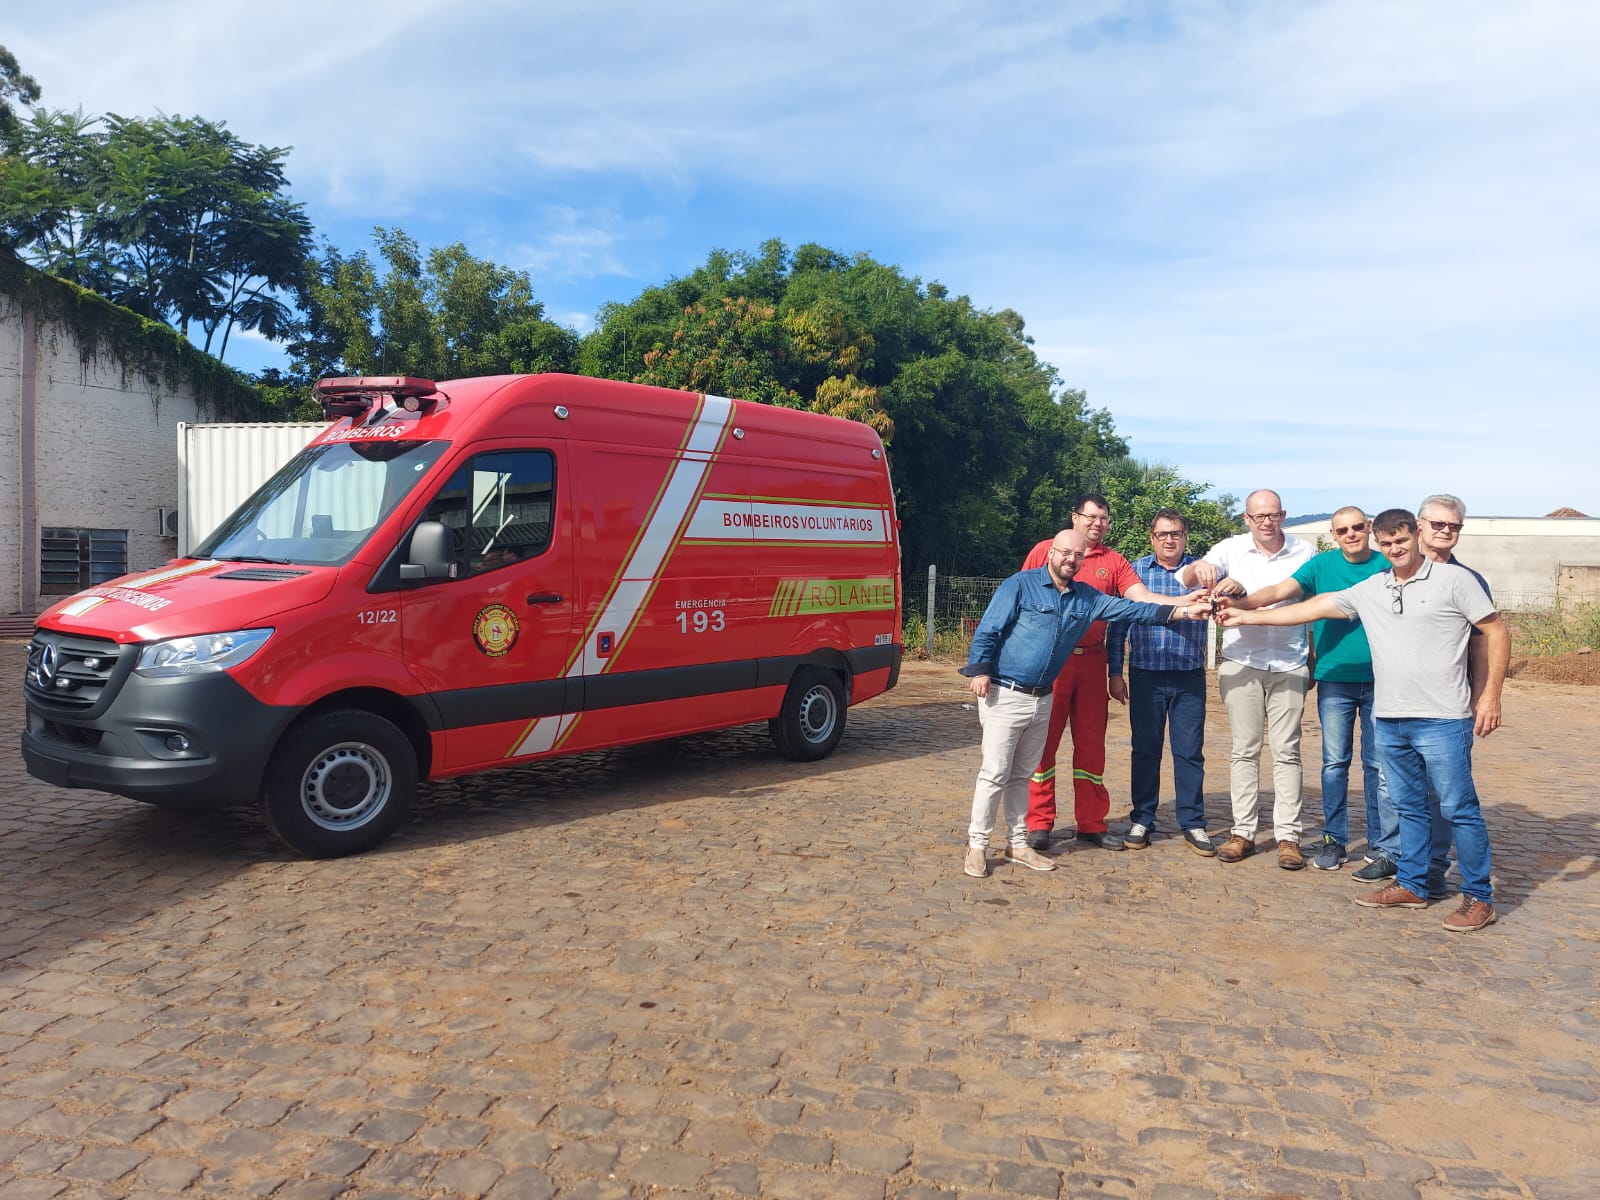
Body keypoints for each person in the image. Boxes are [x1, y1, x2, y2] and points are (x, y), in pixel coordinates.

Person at [1216, 509, 1510, 931]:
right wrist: (1246, 615)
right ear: (1381, 543)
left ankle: (1479, 896)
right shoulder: (1373, 586)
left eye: (1402, 541)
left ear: (1416, 536)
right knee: (1408, 806)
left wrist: (1490, 696)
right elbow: (1310, 608)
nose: (1396, 549)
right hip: (1389, 717)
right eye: (1389, 544)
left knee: (1458, 807)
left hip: (1442, 717)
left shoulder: (1455, 581)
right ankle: (1412, 884)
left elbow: (1496, 632)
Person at [960, 529, 1210, 878]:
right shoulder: (1020, 584)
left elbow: (1134, 609)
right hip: (1006, 691)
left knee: (1021, 775)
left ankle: (1018, 844)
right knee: (995, 773)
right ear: (1051, 553)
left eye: (1077, 555)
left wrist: (1183, 611)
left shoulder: (1086, 597)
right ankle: (977, 845)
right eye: (1064, 553)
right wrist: (980, 670)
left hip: (1042, 696)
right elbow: (989, 628)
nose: (1070, 559)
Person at [1019, 494, 1199, 853]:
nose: (1097, 523)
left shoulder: (1113, 562)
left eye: (1104, 518)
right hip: (1048, 663)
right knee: (1043, 745)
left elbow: (1141, 597)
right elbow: (1020, 597)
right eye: (1091, 517)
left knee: (1091, 748)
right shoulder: (1045, 549)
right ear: (1075, 517)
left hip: (1091, 664)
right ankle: (1038, 823)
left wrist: (1185, 602)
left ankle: (1091, 823)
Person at [1221, 506, 1393, 873]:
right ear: (1333, 534)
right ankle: (1334, 839)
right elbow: (1277, 592)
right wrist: (1240, 607)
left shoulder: (1387, 564)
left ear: (1370, 528)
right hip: (1335, 678)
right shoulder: (1321, 566)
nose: (1350, 534)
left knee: (1379, 766)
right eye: (1342, 529)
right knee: (1334, 764)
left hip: (1384, 678)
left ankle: (1382, 845)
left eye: (1357, 527)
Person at [1177, 489, 1315, 869]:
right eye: (1259, 516)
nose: (1267, 522)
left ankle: (1288, 836)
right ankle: (1244, 832)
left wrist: (1313, 657)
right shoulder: (1229, 548)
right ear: (1247, 519)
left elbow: (1314, 606)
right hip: (1242, 660)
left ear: (1284, 515)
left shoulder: (1306, 552)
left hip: (1289, 661)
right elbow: (1186, 575)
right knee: (1244, 750)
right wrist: (1201, 570)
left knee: (1287, 751)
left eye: (1273, 515)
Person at [1105, 509, 1215, 855]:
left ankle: (1193, 823)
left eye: (1176, 533)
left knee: (1189, 752)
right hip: (1146, 674)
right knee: (1146, 750)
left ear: (1186, 536)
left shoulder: (1203, 572)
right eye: (1163, 534)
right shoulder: (1134, 572)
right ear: (1152, 538)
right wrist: (1115, 671)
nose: (1170, 540)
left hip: (1188, 676)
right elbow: (1118, 624)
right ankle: (1143, 818)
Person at [1414, 493, 1493, 898]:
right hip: (1398, 702)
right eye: (1439, 524)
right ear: (1420, 525)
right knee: (1398, 790)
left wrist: (1486, 697)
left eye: (1454, 526)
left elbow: (1484, 644)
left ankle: (1435, 869)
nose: (1446, 531)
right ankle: (1404, 865)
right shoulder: (1395, 573)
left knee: (1447, 796)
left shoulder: (1470, 580)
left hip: (1448, 704)